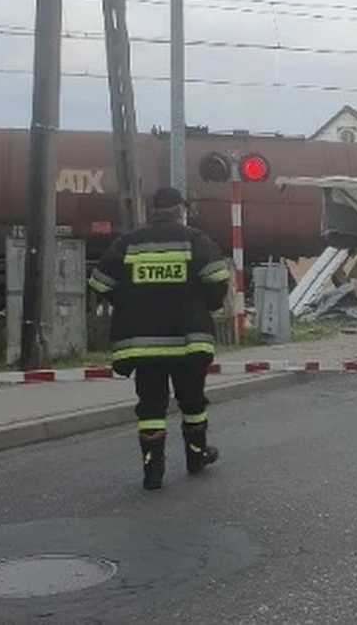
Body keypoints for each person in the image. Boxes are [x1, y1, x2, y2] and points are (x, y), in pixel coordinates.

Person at [87, 186, 231, 490]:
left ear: (152, 211)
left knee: (151, 406)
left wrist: (127, 299)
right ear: (181, 210)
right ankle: (196, 455)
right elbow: (218, 277)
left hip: (144, 344)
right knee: (192, 402)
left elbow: (99, 284)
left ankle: (153, 472)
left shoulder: (128, 242)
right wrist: (207, 303)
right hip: (188, 340)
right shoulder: (194, 239)